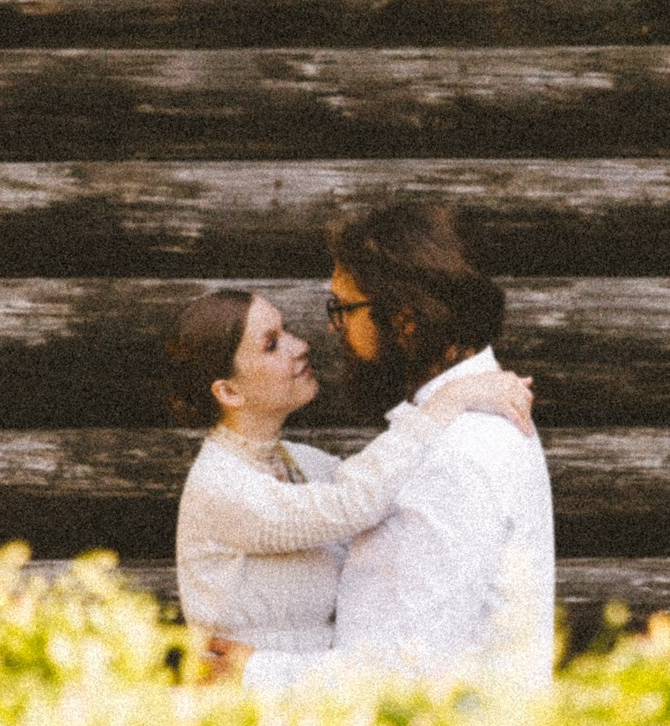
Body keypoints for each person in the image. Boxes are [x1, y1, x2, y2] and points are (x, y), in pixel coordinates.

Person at [166, 288, 534, 693]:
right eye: (272, 344)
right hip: (246, 714)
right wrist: (449, 400)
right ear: (229, 391)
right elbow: (355, 502)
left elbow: (386, 486)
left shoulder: (301, 462)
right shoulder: (219, 487)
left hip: (312, 708)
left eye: (287, 330)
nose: (301, 345)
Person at [325, 201, 558, 692]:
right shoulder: (451, 428)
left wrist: (252, 670)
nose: (334, 329)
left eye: (344, 310)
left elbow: (409, 669)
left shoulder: (458, 451)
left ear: (407, 320)